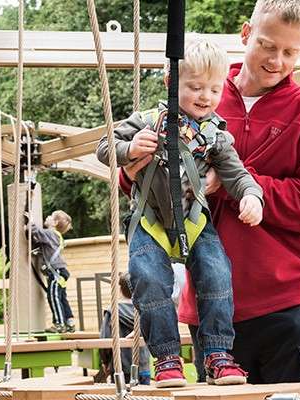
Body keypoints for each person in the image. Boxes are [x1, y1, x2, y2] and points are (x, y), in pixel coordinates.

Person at [120, 0, 300, 385]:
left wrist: (233, 184)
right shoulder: (196, 92)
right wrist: (133, 164)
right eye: (267, 45)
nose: (277, 60)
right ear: (246, 34)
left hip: (291, 301)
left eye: (291, 52)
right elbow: (136, 180)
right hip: (210, 311)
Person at [96, 36, 263, 387]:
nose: (205, 97)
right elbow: (104, 148)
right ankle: (167, 358)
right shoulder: (149, 120)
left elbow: (236, 173)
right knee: (148, 279)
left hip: (194, 221)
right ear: (172, 84)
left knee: (217, 275)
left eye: (214, 89)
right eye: (196, 87)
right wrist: (129, 148)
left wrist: (251, 195)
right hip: (151, 220)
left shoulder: (215, 134)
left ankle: (219, 354)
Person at [94, 272, 151, 385]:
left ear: (120, 289)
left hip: (120, 366)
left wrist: (105, 362)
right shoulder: (146, 310)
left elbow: (105, 338)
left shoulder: (113, 311)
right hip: (143, 365)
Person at [29, 210, 76, 333]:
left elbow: (36, 232)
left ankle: (59, 324)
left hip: (56, 272)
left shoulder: (50, 233)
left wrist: (31, 221)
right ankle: (69, 321)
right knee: (61, 297)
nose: (47, 216)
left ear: (54, 222)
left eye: (51, 216)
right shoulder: (55, 236)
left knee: (53, 297)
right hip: (60, 272)